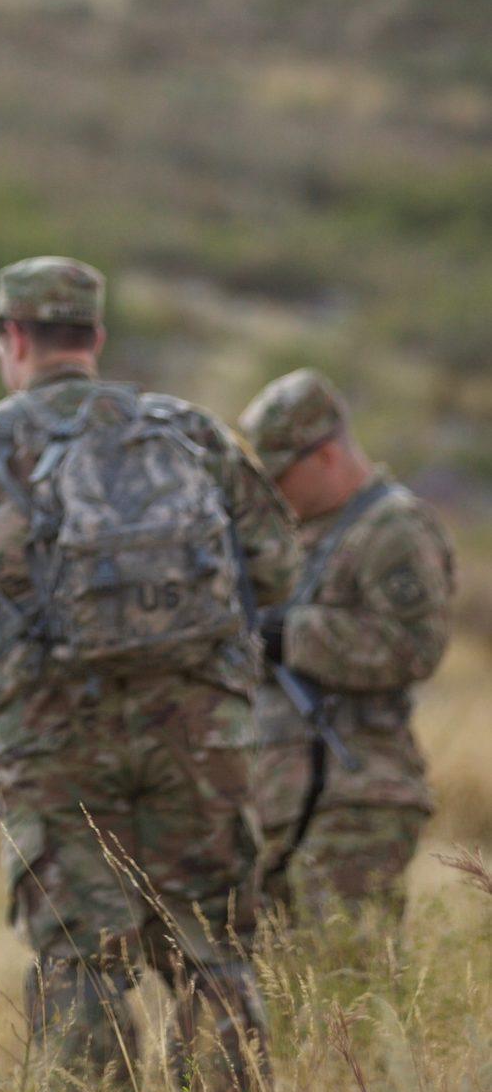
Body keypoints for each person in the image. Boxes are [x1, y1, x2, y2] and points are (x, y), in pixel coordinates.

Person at [0, 258, 298, 1092]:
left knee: (81, 963)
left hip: (51, 741)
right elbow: (280, 566)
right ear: (95, 339)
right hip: (201, 737)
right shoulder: (192, 431)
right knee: (217, 954)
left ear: (14, 340)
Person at [239, 368, 453, 928]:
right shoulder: (300, 535)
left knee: (347, 975)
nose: (275, 492)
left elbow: (416, 645)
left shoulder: (394, 529)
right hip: (286, 799)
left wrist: (295, 635)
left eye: (282, 475)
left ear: (326, 455)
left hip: (361, 794)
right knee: (285, 989)